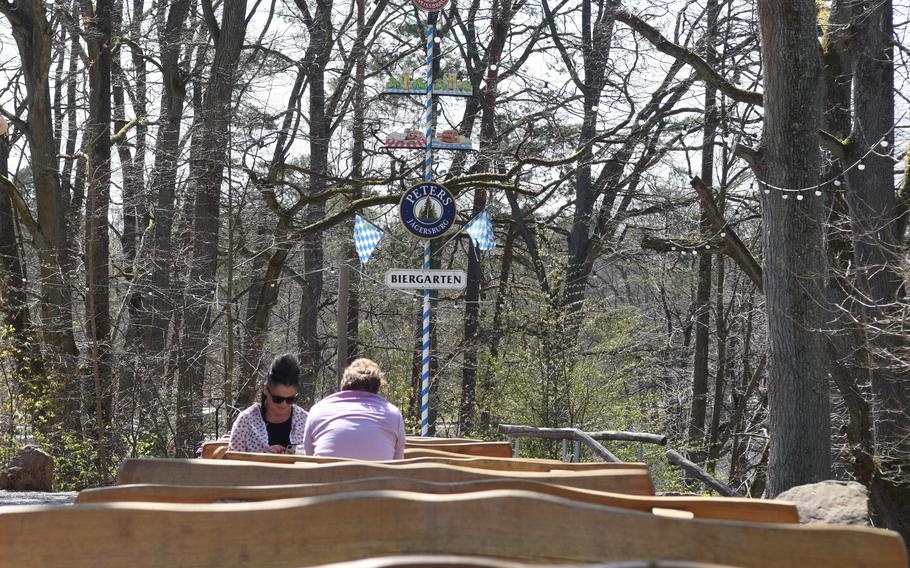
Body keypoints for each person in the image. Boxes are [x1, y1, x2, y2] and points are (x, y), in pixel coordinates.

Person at [303, 358, 406, 460]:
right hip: (378, 476)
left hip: (327, 476)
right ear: (377, 388)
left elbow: (309, 458)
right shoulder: (393, 414)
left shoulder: (318, 410)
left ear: (343, 384)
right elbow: (398, 462)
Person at [228, 353, 308, 454]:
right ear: (265, 389)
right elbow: (233, 464)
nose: (284, 404)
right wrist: (263, 457)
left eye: (290, 399)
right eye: (277, 399)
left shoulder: (305, 420)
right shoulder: (246, 420)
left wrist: (299, 453)